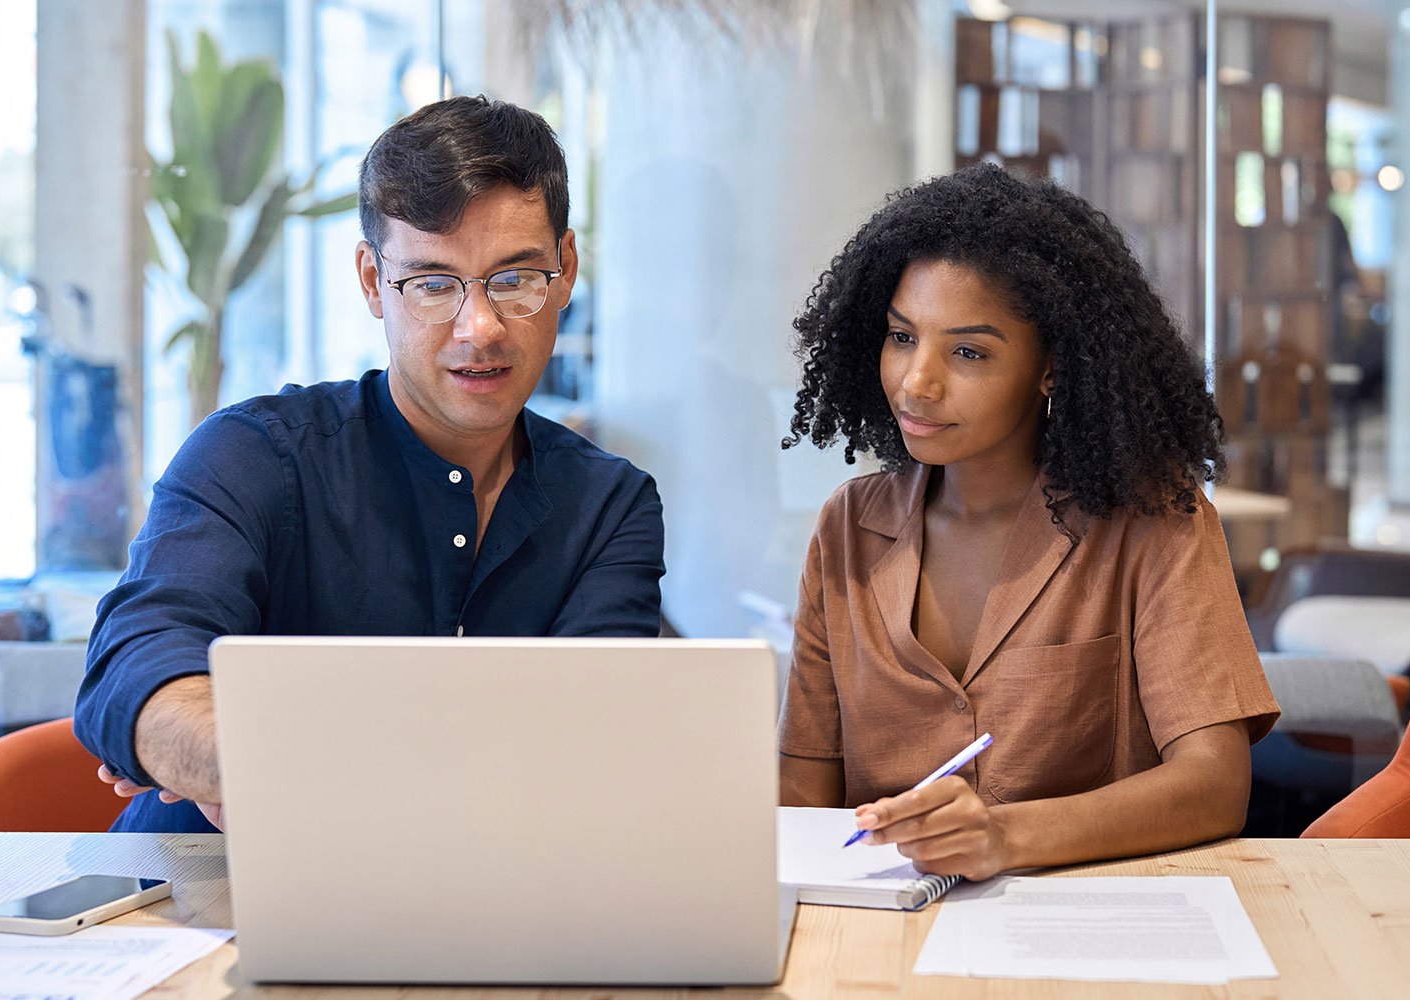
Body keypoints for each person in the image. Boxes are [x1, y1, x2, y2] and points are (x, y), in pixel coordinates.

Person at [75, 96, 665, 833]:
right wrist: (179, 733)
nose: (478, 329)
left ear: (566, 269)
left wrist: (270, 762)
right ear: (370, 281)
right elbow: (137, 670)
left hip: (487, 910)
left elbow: (593, 751)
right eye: (432, 284)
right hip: (202, 903)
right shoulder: (254, 454)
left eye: (514, 279)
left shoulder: (610, 506)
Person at [777, 163, 1279, 879]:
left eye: (969, 352)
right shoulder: (849, 530)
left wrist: (1005, 837)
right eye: (900, 337)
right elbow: (803, 794)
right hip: (883, 927)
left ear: (1051, 368)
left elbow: (1215, 785)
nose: (918, 381)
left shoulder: (1151, 518)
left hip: (1091, 927)